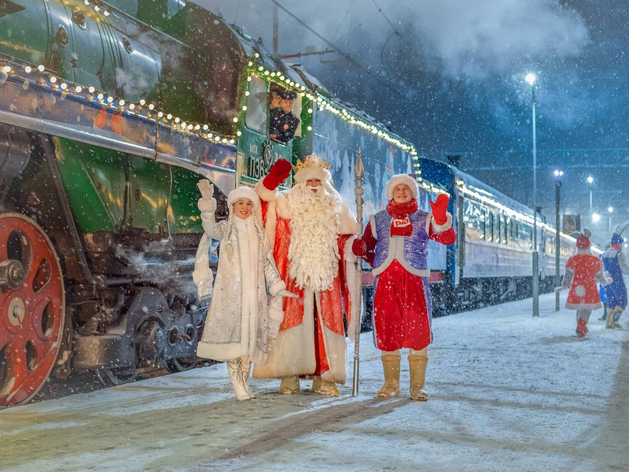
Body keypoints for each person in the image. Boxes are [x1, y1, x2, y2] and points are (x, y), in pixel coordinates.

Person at [253, 155, 359, 396]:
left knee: (325, 325)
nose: (313, 185)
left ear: (326, 184)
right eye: (308, 180)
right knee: (289, 321)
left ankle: (326, 376)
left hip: (326, 277)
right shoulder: (286, 202)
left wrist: (355, 245)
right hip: (293, 275)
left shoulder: (337, 207)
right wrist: (270, 183)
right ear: (299, 183)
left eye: (318, 181)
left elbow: (347, 241)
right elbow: (260, 207)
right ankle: (289, 374)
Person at [352, 175, 456, 401]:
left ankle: (417, 386)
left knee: (417, 330)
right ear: (390, 193)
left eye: (405, 188)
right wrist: (360, 247)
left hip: (414, 282)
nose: (401, 192)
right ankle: (391, 384)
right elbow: (368, 250)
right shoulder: (377, 219)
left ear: (413, 193)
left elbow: (447, 239)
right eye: (397, 189)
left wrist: (441, 219)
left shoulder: (424, 219)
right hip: (386, 283)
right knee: (388, 330)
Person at [194, 181, 297, 400]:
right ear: (233, 206)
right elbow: (210, 228)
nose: (244, 207)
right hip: (232, 296)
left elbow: (267, 264)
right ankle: (237, 386)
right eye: (240, 202)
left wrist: (277, 287)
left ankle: (244, 382)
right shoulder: (227, 229)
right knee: (235, 340)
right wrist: (207, 204)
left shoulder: (259, 234)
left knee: (250, 343)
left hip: (255, 297)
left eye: (248, 203)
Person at [555, 229, 612, 337]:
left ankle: (580, 323)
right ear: (589, 247)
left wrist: (565, 285)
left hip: (577, 287)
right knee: (586, 308)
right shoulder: (594, 260)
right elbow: (599, 275)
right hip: (589, 286)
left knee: (581, 306)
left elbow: (568, 274)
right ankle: (581, 325)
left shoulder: (574, 259)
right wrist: (605, 281)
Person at [601, 221, 629, 329]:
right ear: (619, 244)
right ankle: (614, 321)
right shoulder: (619, 254)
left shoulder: (604, 254)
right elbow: (625, 269)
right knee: (622, 301)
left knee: (611, 301)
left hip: (608, 281)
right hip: (617, 281)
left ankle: (608, 323)